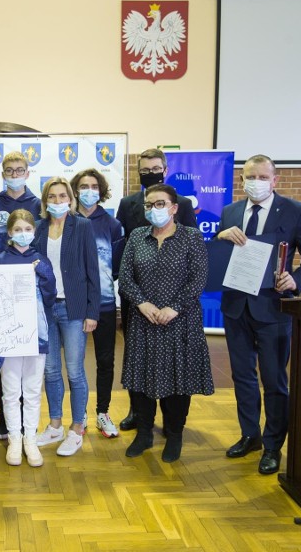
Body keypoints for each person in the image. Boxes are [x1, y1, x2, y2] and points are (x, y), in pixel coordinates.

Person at [215, 154, 301, 474]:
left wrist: (296, 280)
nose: (256, 182)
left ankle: (273, 445)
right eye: (250, 176)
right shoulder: (230, 212)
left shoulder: (295, 211)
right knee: (242, 377)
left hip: (274, 308)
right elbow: (223, 256)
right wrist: (219, 237)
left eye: (263, 177)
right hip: (236, 307)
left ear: (275, 180)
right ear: (241, 179)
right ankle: (250, 435)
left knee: (274, 380)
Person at [118, 184, 213, 463]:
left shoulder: (191, 237)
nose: (153, 209)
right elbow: (125, 278)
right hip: (144, 320)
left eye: (160, 204)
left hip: (180, 322)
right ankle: (144, 433)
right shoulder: (137, 236)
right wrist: (142, 303)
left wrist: (173, 307)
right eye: (149, 204)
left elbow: (198, 279)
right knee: (141, 381)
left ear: (174, 208)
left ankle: (174, 435)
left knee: (177, 382)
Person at [116, 148, 198, 433]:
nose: (150, 173)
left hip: (175, 301)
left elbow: (192, 251)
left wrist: (175, 304)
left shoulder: (183, 204)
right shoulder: (128, 204)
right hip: (138, 299)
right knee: (137, 356)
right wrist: (136, 297)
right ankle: (137, 413)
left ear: (165, 169)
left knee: (176, 358)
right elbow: (121, 247)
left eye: (155, 168)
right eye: (145, 169)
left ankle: (174, 422)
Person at [33, 177, 100, 457]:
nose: (58, 201)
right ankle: (56, 424)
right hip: (47, 308)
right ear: (45, 200)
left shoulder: (82, 226)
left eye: (63, 196)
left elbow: (92, 270)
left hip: (74, 308)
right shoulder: (37, 229)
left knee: (74, 370)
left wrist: (92, 312)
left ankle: (77, 428)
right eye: (52, 196)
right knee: (50, 370)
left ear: (70, 200)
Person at [0, 151, 42, 439]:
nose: (15, 174)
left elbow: (39, 247)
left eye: (20, 170)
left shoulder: (39, 205)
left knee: (28, 353)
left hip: (31, 291)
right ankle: (5, 416)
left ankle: (27, 418)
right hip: (1, 289)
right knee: (4, 352)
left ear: (28, 173)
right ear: (2, 172)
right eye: (10, 170)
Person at [0, 209, 56, 467]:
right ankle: (14, 439)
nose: (23, 234)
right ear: (9, 232)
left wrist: (43, 277)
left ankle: (30, 438)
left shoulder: (42, 260)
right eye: (17, 230)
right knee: (10, 392)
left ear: (34, 231)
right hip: (9, 336)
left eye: (27, 229)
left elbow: (50, 298)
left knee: (31, 390)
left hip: (36, 333)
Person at [70, 169, 125, 439]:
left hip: (103, 303)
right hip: (73, 305)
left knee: (105, 360)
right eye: (83, 186)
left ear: (101, 191)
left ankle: (102, 412)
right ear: (75, 190)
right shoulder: (67, 220)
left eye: (94, 186)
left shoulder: (112, 225)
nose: (89, 190)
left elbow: (115, 267)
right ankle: (79, 414)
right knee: (75, 362)